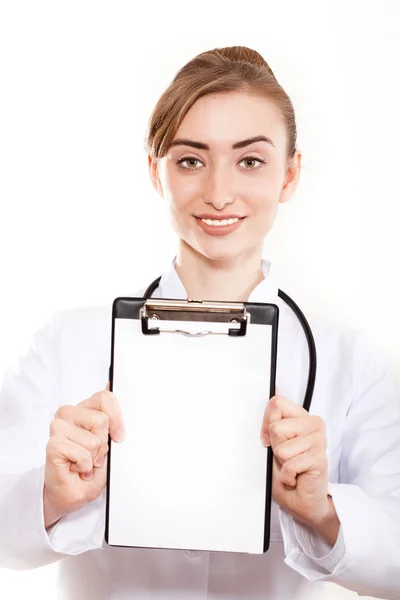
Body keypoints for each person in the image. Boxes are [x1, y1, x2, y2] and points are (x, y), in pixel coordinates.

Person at [0, 45, 399, 600]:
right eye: (190, 160)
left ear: (290, 174)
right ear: (155, 172)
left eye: (251, 160)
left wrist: (322, 511)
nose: (218, 192)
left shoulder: (355, 365)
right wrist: (53, 497)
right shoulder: (65, 343)